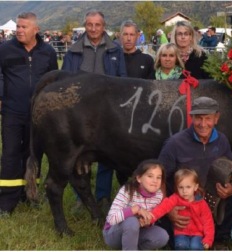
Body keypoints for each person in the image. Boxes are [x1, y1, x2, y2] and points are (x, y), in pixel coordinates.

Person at [62, 10, 127, 211]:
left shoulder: (115, 50)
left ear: (103, 26)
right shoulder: (73, 51)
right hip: (79, 113)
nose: (93, 28)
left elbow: (122, 79)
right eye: (89, 24)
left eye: (97, 25)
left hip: (107, 113)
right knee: (78, 155)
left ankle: (103, 196)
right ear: (85, 25)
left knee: (107, 156)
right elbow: (65, 81)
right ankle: (81, 197)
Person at [158, 96, 232, 247]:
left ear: (216, 118)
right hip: (183, 201)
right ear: (191, 118)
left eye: (208, 118)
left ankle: (218, 238)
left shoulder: (222, 140)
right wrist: (169, 209)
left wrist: (231, 188)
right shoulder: (175, 143)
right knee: (175, 244)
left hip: (211, 199)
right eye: (198, 118)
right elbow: (160, 178)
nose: (203, 124)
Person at [0, 12, 58, 215]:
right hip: (12, 112)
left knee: (33, 155)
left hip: (38, 115)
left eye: (24, 27)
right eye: (18, 26)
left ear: (36, 30)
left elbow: (54, 80)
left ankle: (30, 195)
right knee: (10, 154)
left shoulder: (48, 52)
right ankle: (6, 202)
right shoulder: (5, 49)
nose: (19, 30)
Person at [102, 159, 169, 250]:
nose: (155, 181)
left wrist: (147, 222)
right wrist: (135, 209)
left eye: (159, 177)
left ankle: (132, 248)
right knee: (132, 222)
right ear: (139, 178)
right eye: (150, 176)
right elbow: (111, 219)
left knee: (162, 236)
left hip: (137, 232)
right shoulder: (127, 190)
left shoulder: (158, 195)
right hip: (114, 234)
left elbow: (151, 217)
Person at [146, 169, 214, 250]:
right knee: (181, 246)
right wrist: (150, 217)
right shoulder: (175, 198)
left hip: (198, 233)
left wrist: (208, 239)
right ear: (176, 187)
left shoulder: (201, 203)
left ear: (195, 187)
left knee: (195, 247)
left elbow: (208, 221)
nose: (184, 191)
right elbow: (163, 207)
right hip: (181, 232)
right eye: (181, 187)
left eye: (188, 187)